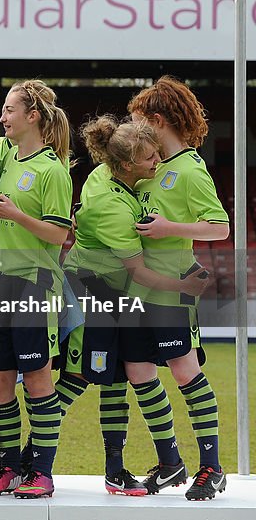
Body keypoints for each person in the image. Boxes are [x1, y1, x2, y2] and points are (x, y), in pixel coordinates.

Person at [62, 116, 209, 497]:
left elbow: (80, 222)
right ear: (126, 165)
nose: (157, 162)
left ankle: (144, 466)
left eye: (158, 154)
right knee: (78, 377)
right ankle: (31, 456)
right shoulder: (116, 210)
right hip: (96, 293)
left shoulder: (104, 176)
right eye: (149, 158)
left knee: (118, 376)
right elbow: (140, 272)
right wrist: (185, 285)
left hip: (114, 298)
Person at [126, 77, 229, 500]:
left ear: (157, 120)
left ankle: (213, 467)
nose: (133, 132)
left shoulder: (190, 169)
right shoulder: (147, 167)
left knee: (185, 371)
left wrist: (171, 228)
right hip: (138, 288)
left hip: (171, 289)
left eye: (137, 123)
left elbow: (220, 226)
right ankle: (170, 464)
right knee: (138, 371)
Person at [0, 81, 72, 499]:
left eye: (10, 110)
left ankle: (43, 473)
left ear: (33, 116)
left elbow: (57, 235)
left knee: (36, 378)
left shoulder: (53, 170)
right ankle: (7, 466)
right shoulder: (5, 158)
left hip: (34, 285)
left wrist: (15, 214)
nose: (2, 117)